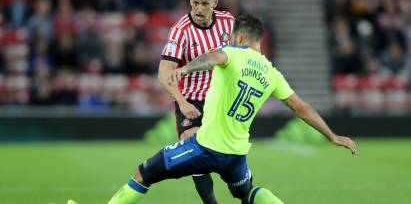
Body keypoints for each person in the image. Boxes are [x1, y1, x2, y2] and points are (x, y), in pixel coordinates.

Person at [67, 14, 356, 204]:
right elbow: (301, 107)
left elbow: (213, 56)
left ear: (240, 38)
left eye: (232, 37)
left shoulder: (231, 53)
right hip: (237, 155)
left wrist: (185, 69)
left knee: (144, 172)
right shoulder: (272, 72)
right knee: (247, 193)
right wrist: (332, 135)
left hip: (207, 148)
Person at [158, 0, 234, 203]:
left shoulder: (228, 22)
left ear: (215, 2)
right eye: (195, 2)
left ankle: (244, 189)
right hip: (191, 101)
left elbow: (236, 57)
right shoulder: (180, 30)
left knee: (231, 164)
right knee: (194, 152)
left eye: (205, 3)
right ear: (190, 0)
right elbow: (164, 73)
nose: (199, 9)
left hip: (220, 102)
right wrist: (182, 102)